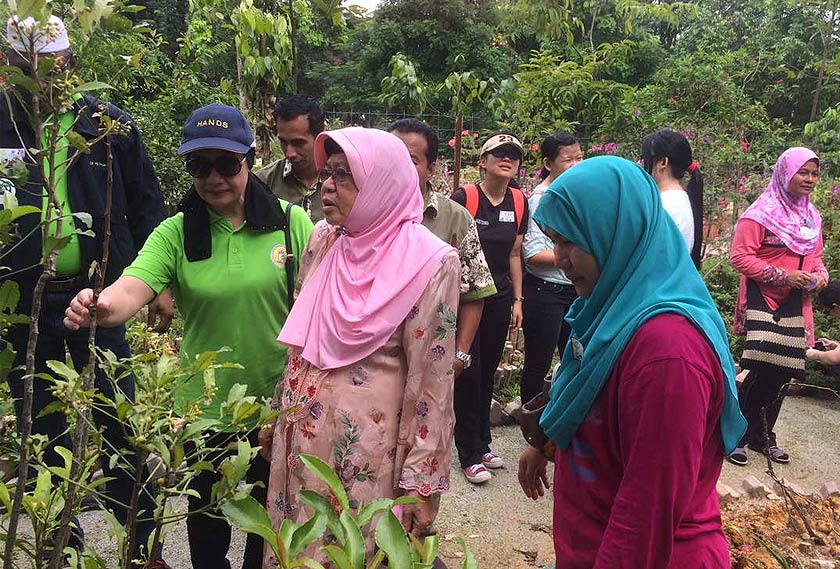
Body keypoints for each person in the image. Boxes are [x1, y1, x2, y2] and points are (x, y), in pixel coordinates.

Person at [63, 104, 313, 569]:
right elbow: (131, 288)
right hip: (205, 411)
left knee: (272, 528)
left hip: (277, 407)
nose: (213, 177)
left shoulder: (290, 223)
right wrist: (97, 305)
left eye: (225, 164)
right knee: (207, 525)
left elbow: (324, 300)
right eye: (199, 166)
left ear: (250, 158)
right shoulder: (177, 233)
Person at [517, 156, 746, 568]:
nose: (560, 258)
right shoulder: (613, 309)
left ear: (614, 233)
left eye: (571, 241)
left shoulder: (667, 353)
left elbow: (647, 510)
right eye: (554, 240)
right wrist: (548, 441)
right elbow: (596, 402)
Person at [0, 15, 170, 563]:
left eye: (51, 67)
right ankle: (60, 549)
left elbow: (147, 206)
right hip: (23, 305)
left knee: (118, 420)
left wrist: (157, 284)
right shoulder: (4, 127)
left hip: (100, 299)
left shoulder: (107, 127)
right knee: (39, 427)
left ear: (70, 65)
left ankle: (141, 549)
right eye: (25, 68)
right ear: (7, 67)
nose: (40, 80)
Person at [260, 127, 459, 565]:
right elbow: (302, 339)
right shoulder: (324, 240)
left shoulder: (432, 261)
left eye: (344, 175)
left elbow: (433, 380)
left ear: (382, 182)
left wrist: (420, 484)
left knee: (349, 548)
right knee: (295, 545)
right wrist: (275, 415)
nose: (328, 185)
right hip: (298, 445)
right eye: (328, 173)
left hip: (364, 455)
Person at [727, 147, 827, 467]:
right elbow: (740, 257)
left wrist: (820, 277)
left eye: (814, 173)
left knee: (785, 370)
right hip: (763, 299)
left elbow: (817, 258)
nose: (810, 179)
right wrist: (785, 275)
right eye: (804, 172)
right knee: (762, 367)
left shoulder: (812, 217)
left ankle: (762, 436)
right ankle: (736, 436)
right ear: (786, 173)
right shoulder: (760, 214)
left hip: (797, 302)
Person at [387, 118, 497, 378]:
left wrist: (460, 355)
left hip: (429, 360)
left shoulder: (454, 219)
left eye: (411, 160)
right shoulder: (363, 213)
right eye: (391, 156)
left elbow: (474, 291)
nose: (398, 167)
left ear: (431, 168)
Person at [450, 132, 529, 484]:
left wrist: (518, 300)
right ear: (482, 161)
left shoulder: (519, 201)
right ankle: (468, 452)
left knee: (487, 374)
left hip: (499, 298)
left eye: (513, 155)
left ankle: (483, 443)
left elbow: (515, 254)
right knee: (467, 372)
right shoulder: (465, 198)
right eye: (499, 153)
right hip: (467, 300)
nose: (506, 159)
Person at [520, 131, 583, 404]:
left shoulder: (576, 194)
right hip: (545, 292)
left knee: (576, 359)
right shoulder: (541, 199)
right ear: (548, 163)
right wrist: (578, 257)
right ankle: (531, 428)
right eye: (568, 160)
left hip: (574, 289)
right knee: (539, 362)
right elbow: (532, 254)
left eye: (580, 158)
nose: (576, 166)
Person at [641, 129, 704, 269]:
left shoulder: (664, 205)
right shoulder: (681, 199)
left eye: (644, 159)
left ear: (663, 162)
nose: (641, 165)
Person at [256, 94, 324, 221]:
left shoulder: (344, 180)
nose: (289, 153)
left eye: (298, 143)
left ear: (320, 136)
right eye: (283, 142)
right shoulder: (262, 183)